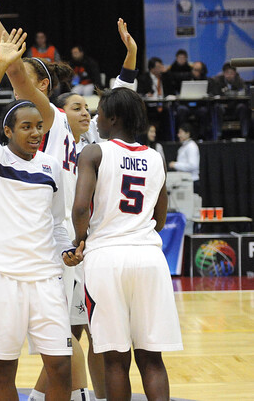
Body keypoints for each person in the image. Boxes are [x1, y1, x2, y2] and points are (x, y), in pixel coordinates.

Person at [0, 28, 81, 401]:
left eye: (39, 127)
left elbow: (57, 223)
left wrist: (67, 250)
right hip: (1, 280)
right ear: (8, 131)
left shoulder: (51, 168)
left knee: (60, 366)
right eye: (26, 127)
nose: (34, 133)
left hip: (45, 280)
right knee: (2, 372)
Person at [73, 88, 182, 401]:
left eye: (101, 113)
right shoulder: (155, 157)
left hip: (106, 257)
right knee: (152, 357)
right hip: (148, 257)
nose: (97, 119)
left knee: (116, 360)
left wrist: (80, 241)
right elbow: (160, 219)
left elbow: (81, 208)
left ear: (113, 118)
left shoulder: (94, 152)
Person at [210, 62, 250, 138]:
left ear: (235, 73)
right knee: (217, 107)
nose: (229, 75)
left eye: (231, 73)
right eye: (227, 73)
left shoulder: (239, 81)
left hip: (235, 106)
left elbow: (243, 94)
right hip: (222, 106)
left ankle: (245, 135)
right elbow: (215, 94)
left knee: (243, 107)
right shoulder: (217, 81)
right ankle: (218, 135)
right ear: (223, 73)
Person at [169, 123, 200, 193]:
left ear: (188, 133)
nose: (178, 135)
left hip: (192, 181)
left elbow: (193, 165)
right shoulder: (182, 147)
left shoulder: (192, 146)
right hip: (184, 181)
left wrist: (175, 165)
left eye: (180, 132)